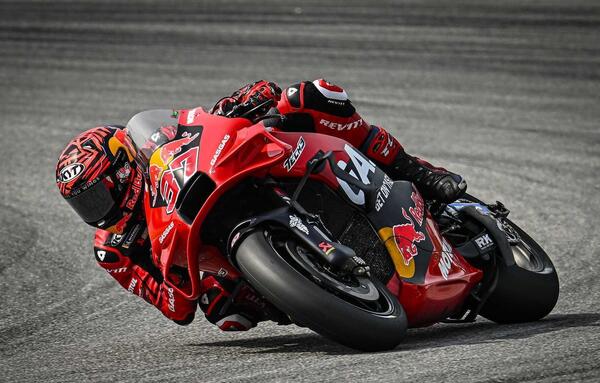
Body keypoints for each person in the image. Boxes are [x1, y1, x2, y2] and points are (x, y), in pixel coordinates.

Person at [55, 79, 467, 331]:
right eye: (84, 205)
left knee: (309, 96)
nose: (97, 211)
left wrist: (240, 105)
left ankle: (418, 172)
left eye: (97, 195)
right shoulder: (113, 248)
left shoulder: (159, 139)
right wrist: (193, 283)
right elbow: (174, 308)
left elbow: (201, 123)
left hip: (234, 176)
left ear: (124, 169)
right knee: (224, 312)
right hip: (223, 264)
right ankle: (320, 294)